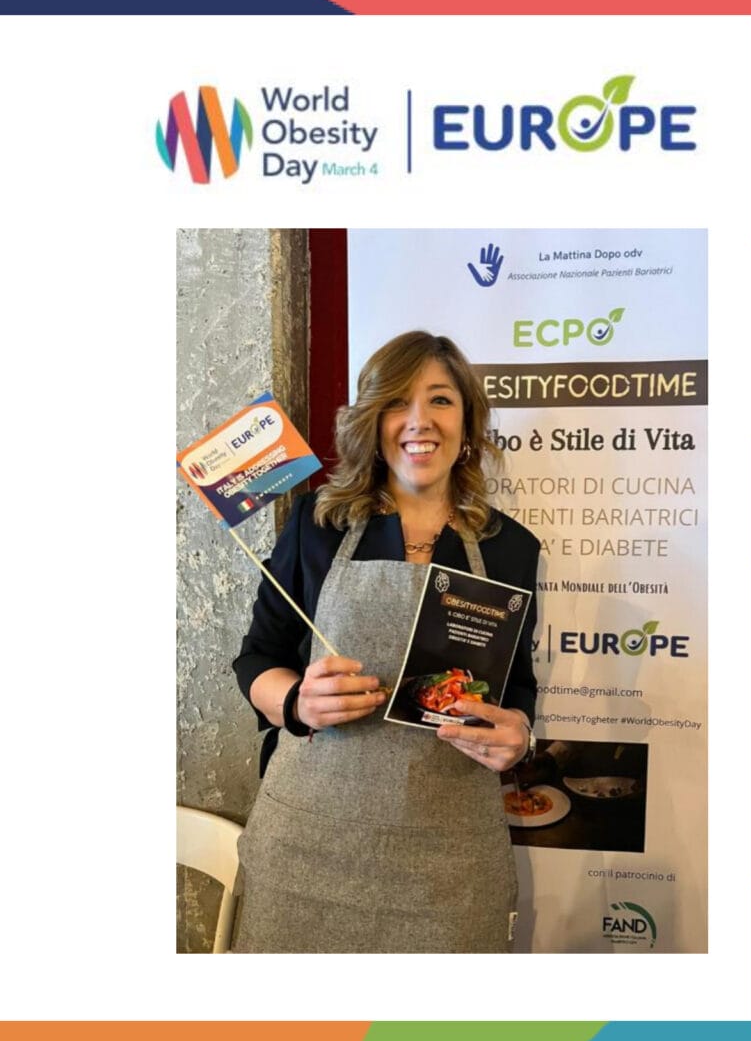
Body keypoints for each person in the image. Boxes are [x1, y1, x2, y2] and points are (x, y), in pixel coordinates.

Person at [230, 330, 539, 953]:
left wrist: (520, 737)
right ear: (373, 419)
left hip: (449, 864)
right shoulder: (318, 526)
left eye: (441, 400)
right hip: (308, 846)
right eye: (398, 401)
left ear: (469, 421)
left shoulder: (511, 548)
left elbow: (519, 689)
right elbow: (256, 658)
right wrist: (296, 702)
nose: (418, 421)